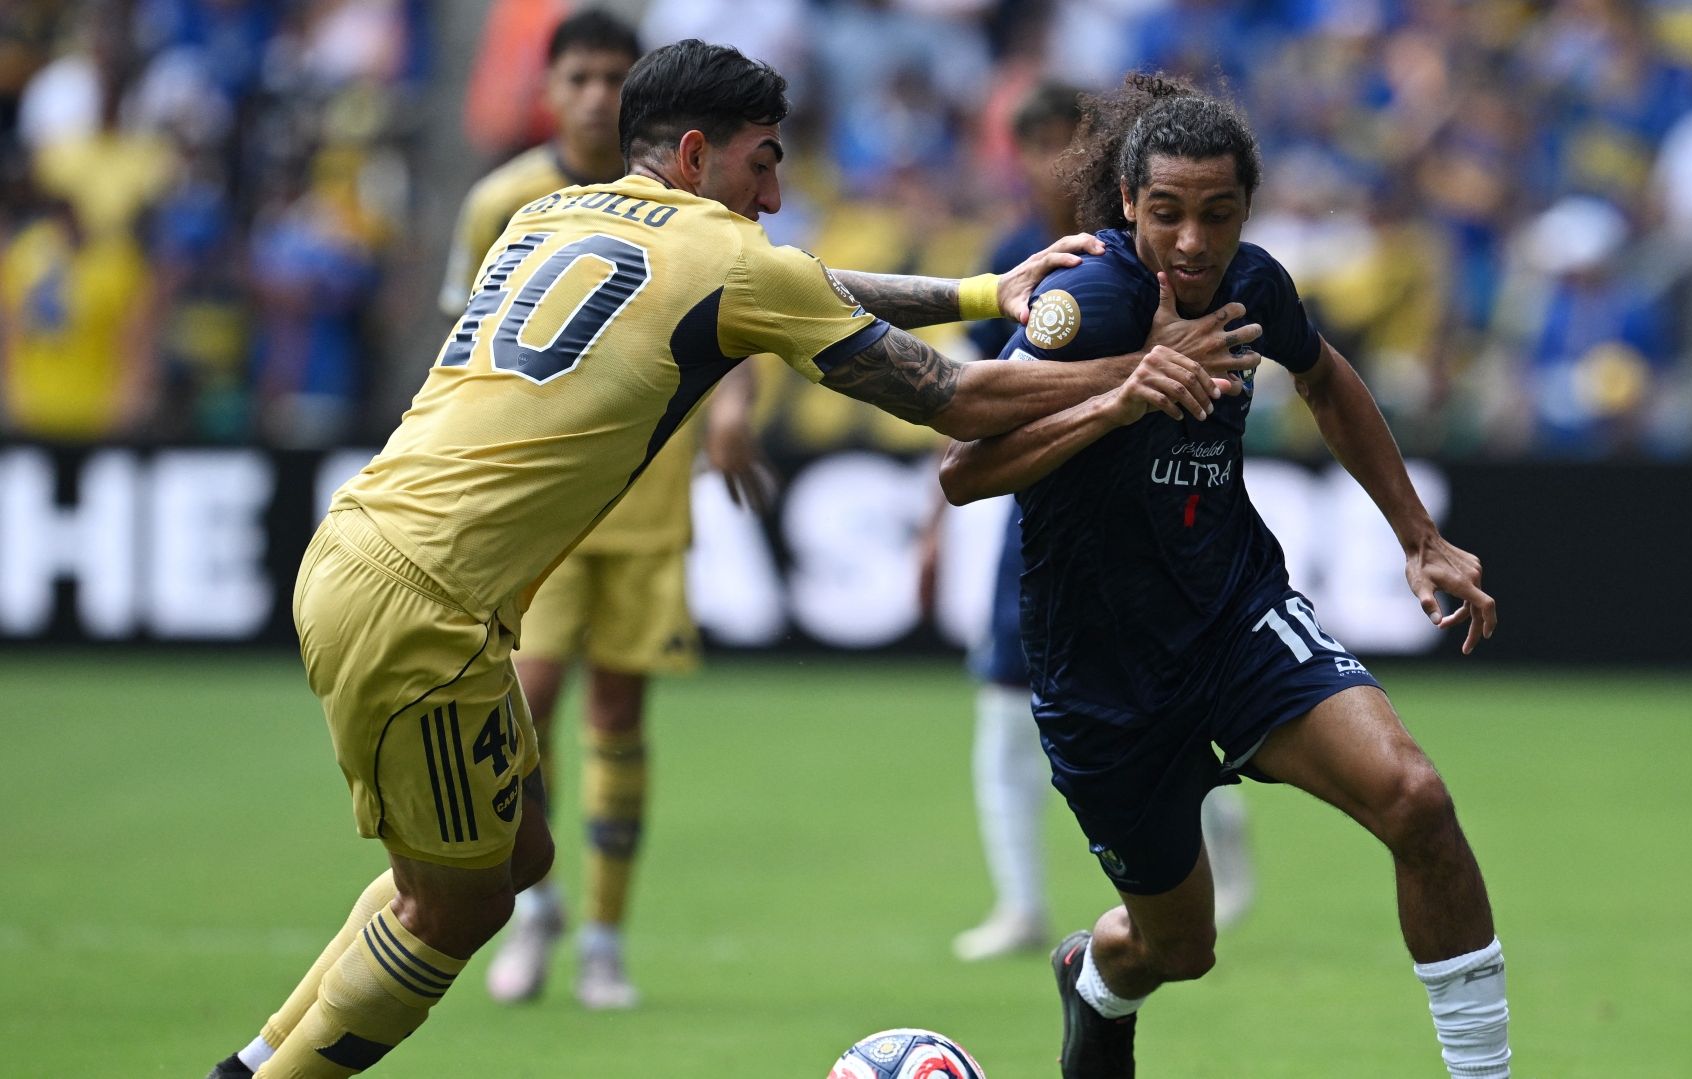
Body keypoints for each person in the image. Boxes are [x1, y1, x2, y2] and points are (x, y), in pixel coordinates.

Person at [204, 40, 1255, 1079]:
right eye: (764, 161)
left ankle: (249, 1064)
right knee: (458, 901)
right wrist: (1142, 368)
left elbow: (804, 283)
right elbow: (959, 398)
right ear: (699, 153)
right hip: (423, 603)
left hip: (365, 548)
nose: (778, 190)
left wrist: (981, 294)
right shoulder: (730, 261)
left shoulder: (550, 212)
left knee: (513, 858)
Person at [940, 73, 1509, 1079]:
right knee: (1178, 949)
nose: (1194, 242)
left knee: (1416, 799)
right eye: (1167, 213)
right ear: (1126, 202)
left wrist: (1416, 533)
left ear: (1247, 207)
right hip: (1103, 675)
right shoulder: (1089, 302)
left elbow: (1324, 375)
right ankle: (1093, 974)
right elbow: (963, 470)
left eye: (1218, 212)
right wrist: (1119, 395)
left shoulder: (1256, 282)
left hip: (1236, 618)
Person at [438, 7, 763, 1013]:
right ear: (550, 88)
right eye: (577, 77)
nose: (592, 96)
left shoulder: (700, 201)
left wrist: (734, 409)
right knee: (524, 713)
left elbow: (746, 312)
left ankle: (604, 942)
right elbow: (468, 337)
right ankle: (534, 912)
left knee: (621, 715)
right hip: (541, 511)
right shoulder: (503, 198)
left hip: (647, 498)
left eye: (610, 80)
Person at [940, 80, 1255, 963]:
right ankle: (1019, 901)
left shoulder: (1160, 261)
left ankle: (1220, 833)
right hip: (1044, 512)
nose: (1045, 163)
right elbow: (978, 410)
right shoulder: (1016, 257)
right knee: (1005, 699)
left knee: (1175, 703)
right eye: (1031, 143)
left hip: (1148, 518)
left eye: (1060, 142)